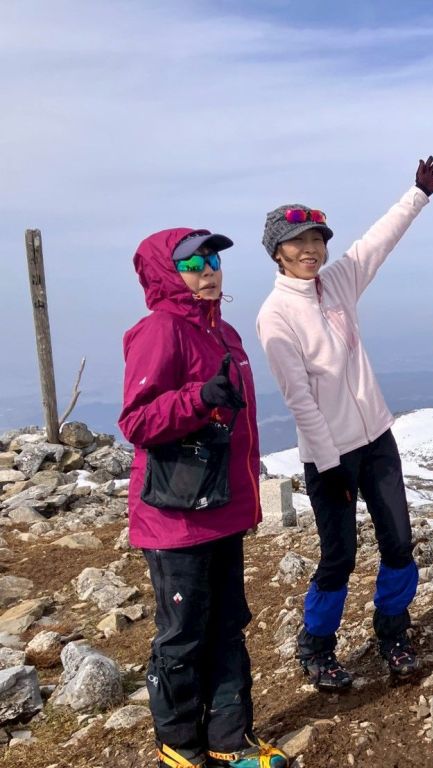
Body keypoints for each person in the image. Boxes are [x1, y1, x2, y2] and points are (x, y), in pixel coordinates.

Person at [256, 156, 433, 691]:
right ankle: (316, 648)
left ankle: (393, 633)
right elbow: (299, 399)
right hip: (329, 455)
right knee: (338, 556)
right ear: (277, 252)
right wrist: (329, 461)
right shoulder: (274, 315)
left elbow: (375, 242)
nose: (312, 249)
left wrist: (417, 194)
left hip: (377, 438)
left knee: (399, 543)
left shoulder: (337, 282)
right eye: (299, 242)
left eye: (317, 239)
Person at [120, 229, 287, 768]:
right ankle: (179, 745)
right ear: (168, 274)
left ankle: (229, 737)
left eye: (212, 259)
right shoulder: (161, 330)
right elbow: (137, 421)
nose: (208, 270)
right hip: (175, 519)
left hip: (219, 509)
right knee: (184, 633)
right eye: (192, 263)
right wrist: (198, 398)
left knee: (226, 624)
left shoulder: (226, 333)